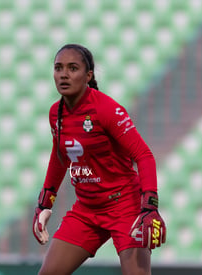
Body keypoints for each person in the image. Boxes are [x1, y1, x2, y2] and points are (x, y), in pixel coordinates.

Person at [32, 44, 166, 275]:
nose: (63, 74)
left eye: (73, 68)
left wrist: (149, 208)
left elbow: (144, 156)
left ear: (88, 75)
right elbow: (59, 156)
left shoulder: (106, 109)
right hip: (86, 209)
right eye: (58, 68)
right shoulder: (57, 113)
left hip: (126, 206)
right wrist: (46, 201)